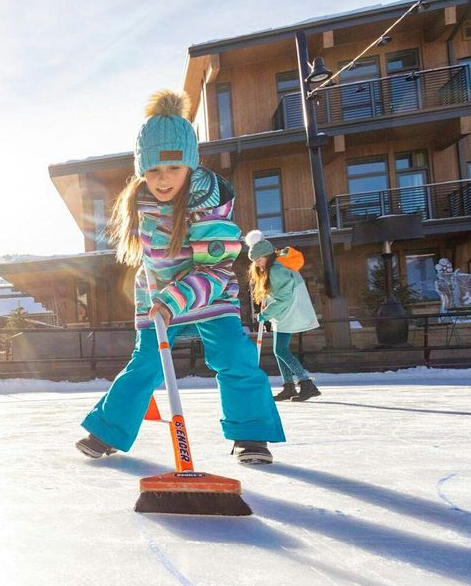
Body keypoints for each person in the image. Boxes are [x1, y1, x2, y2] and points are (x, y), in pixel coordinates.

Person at [75, 89, 285, 465]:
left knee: (234, 356)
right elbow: (150, 262)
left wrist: (174, 300)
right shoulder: (139, 202)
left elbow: (215, 269)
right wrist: (156, 298)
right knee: (146, 364)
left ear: (190, 164)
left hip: (209, 294)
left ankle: (251, 434)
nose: (163, 178)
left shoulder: (209, 203)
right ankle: (108, 430)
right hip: (158, 298)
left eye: (173, 167)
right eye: (153, 170)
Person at [245, 230, 321, 402]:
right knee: (279, 349)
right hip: (286, 313)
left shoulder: (276, 270)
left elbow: (284, 298)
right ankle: (289, 386)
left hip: (288, 312)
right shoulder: (275, 266)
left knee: (280, 349)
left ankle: (306, 383)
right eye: (254, 261)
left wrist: (265, 314)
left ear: (266, 255)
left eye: (258, 259)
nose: (257, 264)